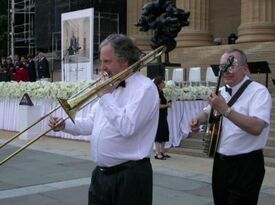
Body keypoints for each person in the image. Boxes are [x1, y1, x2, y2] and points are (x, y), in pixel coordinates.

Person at [48, 34, 159, 205]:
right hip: (101, 176)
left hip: (130, 177)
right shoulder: (110, 85)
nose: (102, 67)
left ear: (124, 62)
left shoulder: (145, 89)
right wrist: (65, 125)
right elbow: (92, 123)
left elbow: (127, 128)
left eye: (107, 61)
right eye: (101, 61)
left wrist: (106, 96)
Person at [190, 48, 272, 205]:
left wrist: (226, 110)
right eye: (222, 67)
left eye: (231, 66)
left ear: (245, 68)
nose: (226, 71)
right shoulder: (222, 91)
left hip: (246, 165)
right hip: (221, 164)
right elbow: (207, 113)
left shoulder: (259, 92)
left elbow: (256, 128)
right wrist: (197, 120)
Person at [153, 76, 171, 160]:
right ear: (159, 84)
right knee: (159, 133)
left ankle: (162, 151)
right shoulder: (157, 93)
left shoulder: (161, 92)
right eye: (163, 82)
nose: (164, 84)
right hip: (159, 116)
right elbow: (158, 106)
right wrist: (167, 105)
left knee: (164, 133)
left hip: (163, 116)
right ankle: (157, 152)